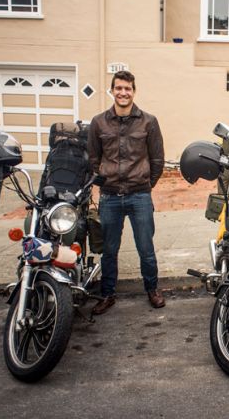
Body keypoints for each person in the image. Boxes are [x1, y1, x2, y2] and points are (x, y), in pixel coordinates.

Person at [87, 70, 166, 314]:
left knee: (146, 248)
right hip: (110, 197)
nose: (123, 92)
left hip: (139, 196)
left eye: (128, 88)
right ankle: (107, 294)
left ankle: (152, 289)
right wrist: (104, 180)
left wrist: (145, 184)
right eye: (119, 88)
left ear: (134, 91)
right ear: (112, 91)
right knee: (109, 250)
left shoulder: (148, 121)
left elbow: (157, 159)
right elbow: (92, 157)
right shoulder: (98, 122)